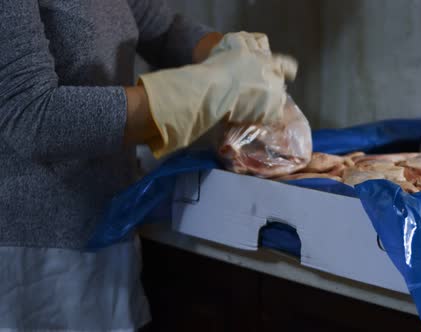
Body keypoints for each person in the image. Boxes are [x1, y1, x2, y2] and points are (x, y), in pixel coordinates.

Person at [0, 1, 297, 331]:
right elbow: (34, 120)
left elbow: (164, 30)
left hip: (105, 236)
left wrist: (232, 57)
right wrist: (205, 90)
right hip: (25, 263)